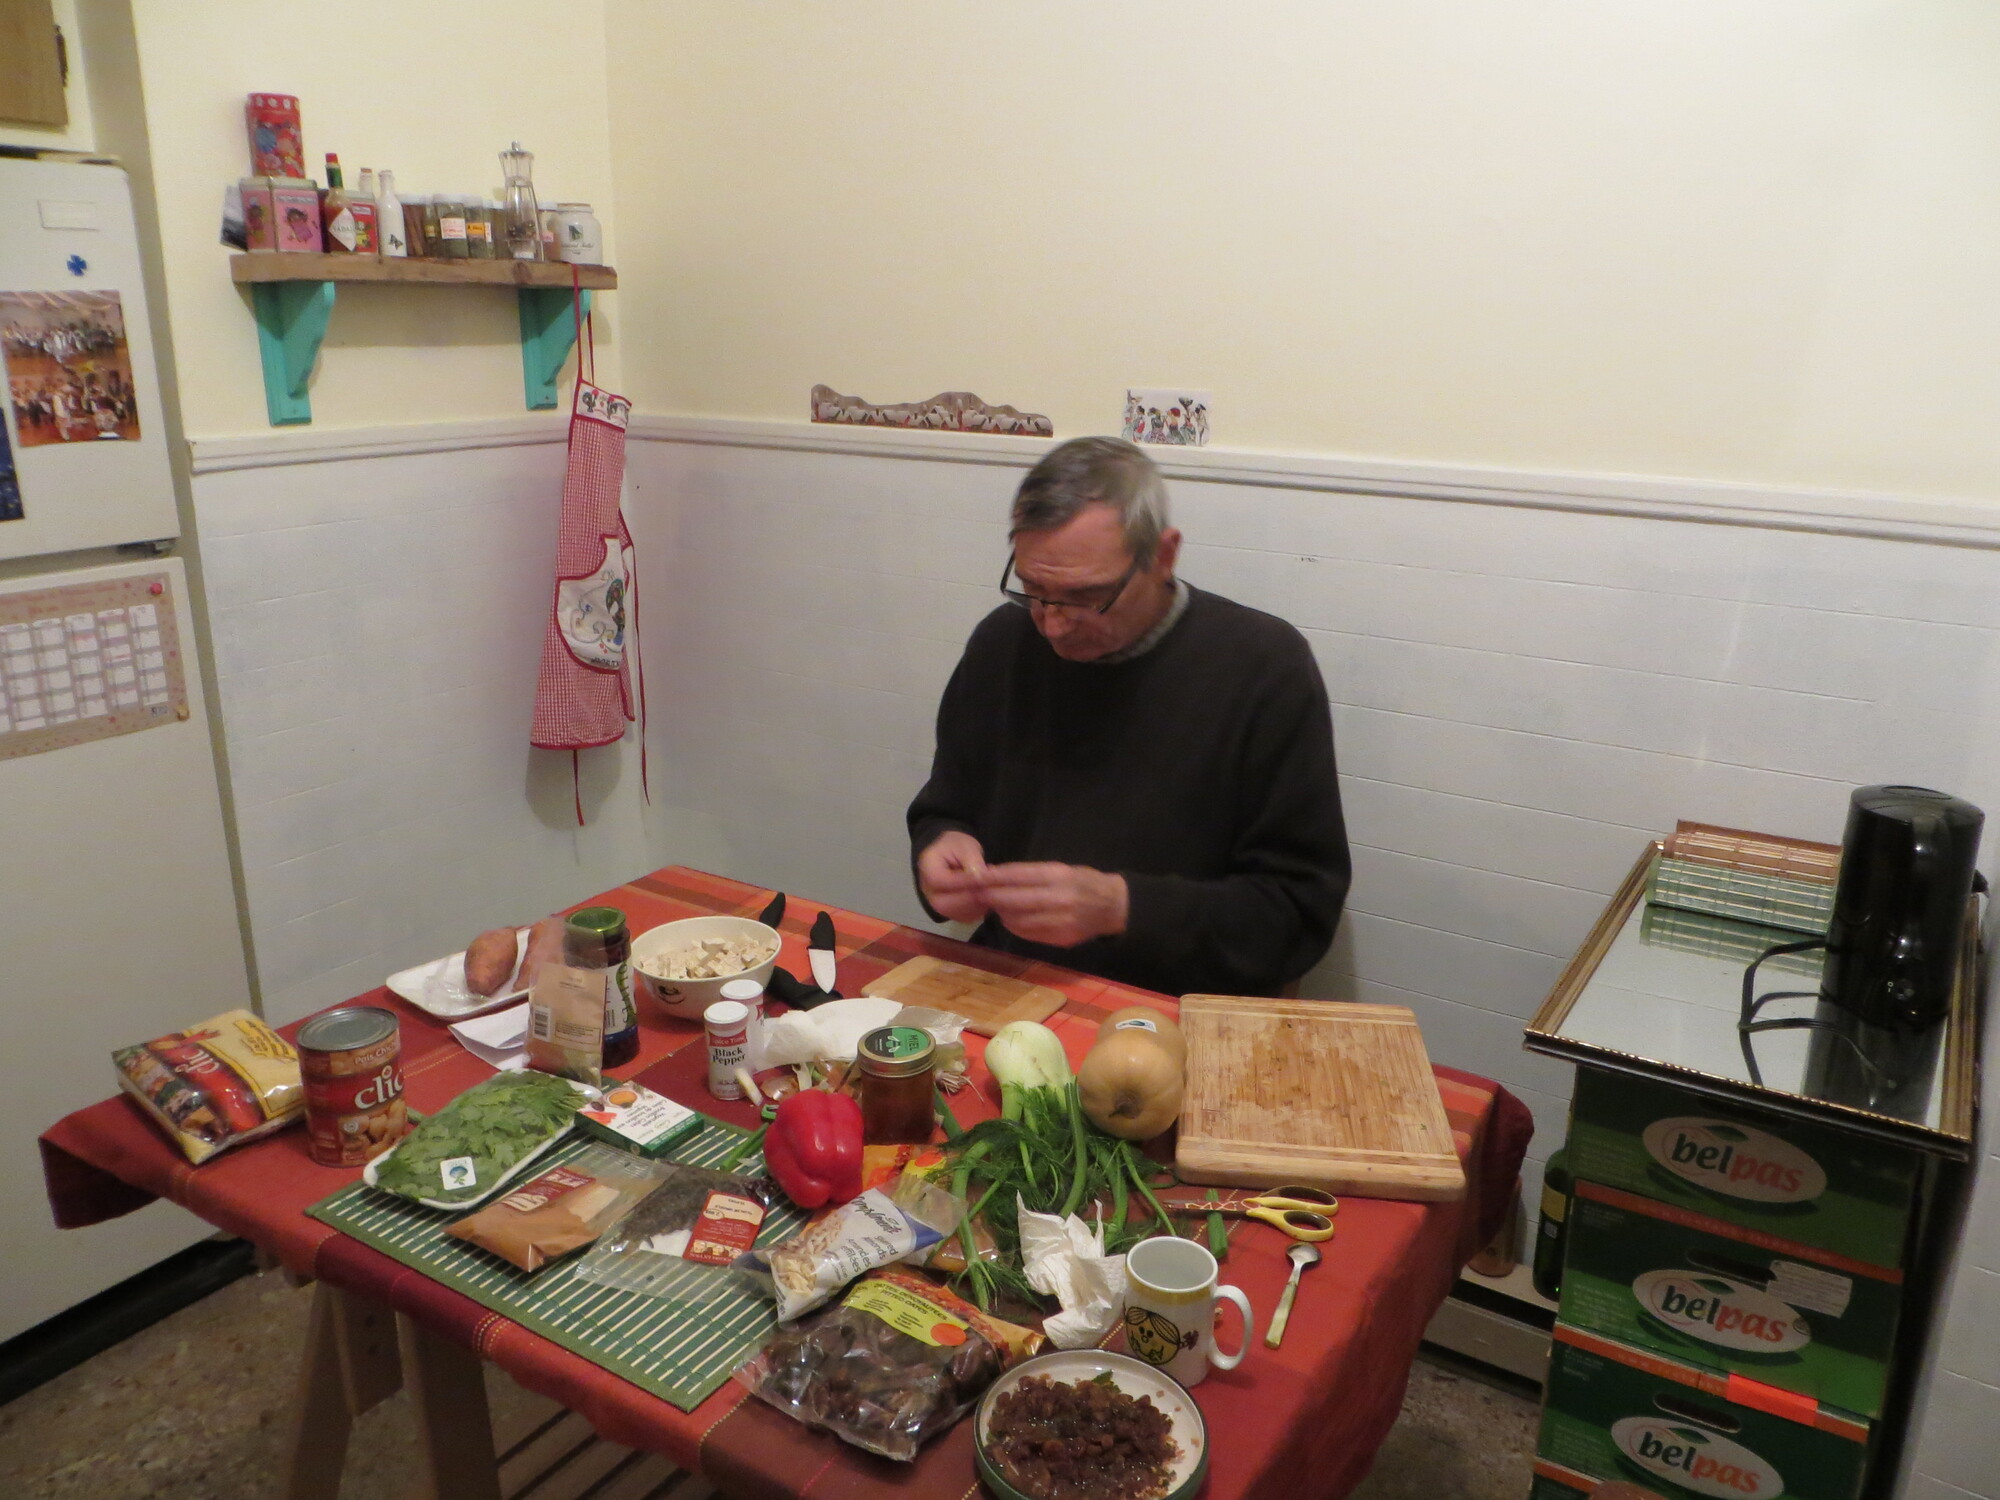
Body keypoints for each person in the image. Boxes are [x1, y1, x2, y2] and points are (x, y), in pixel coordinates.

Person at [907, 435, 1350, 998]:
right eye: (1033, 589)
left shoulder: (1264, 666)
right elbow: (946, 806)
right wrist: (941, 844)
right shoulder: (1003, 642)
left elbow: (1298, 915)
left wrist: (1123, 907)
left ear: (1163, 556)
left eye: (1085, 596)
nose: (1052, 624)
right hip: (1017, 981)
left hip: (1183, 1003)